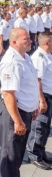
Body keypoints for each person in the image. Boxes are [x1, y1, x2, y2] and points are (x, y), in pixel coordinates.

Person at [0, 28, 39, 177]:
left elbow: (30, 84)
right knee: (10, 157)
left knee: (17, 156)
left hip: (24, 111)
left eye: (29, 38)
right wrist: (18, 121)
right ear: (14, 42)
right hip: (14, 115)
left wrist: (34, 105)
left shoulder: (25, 57)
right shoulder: (11, 61)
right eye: (26, 39)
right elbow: (8, 94)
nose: (31, 41)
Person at [27, 32, 52, 170]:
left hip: (49, 96)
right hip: (44, 97)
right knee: (39, 127)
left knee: (45, 128)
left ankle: (41, 152)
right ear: (47, 43)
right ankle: (34, 154)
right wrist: (42, 100)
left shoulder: (48, 56)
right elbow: (38, 81)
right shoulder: (39, 57)